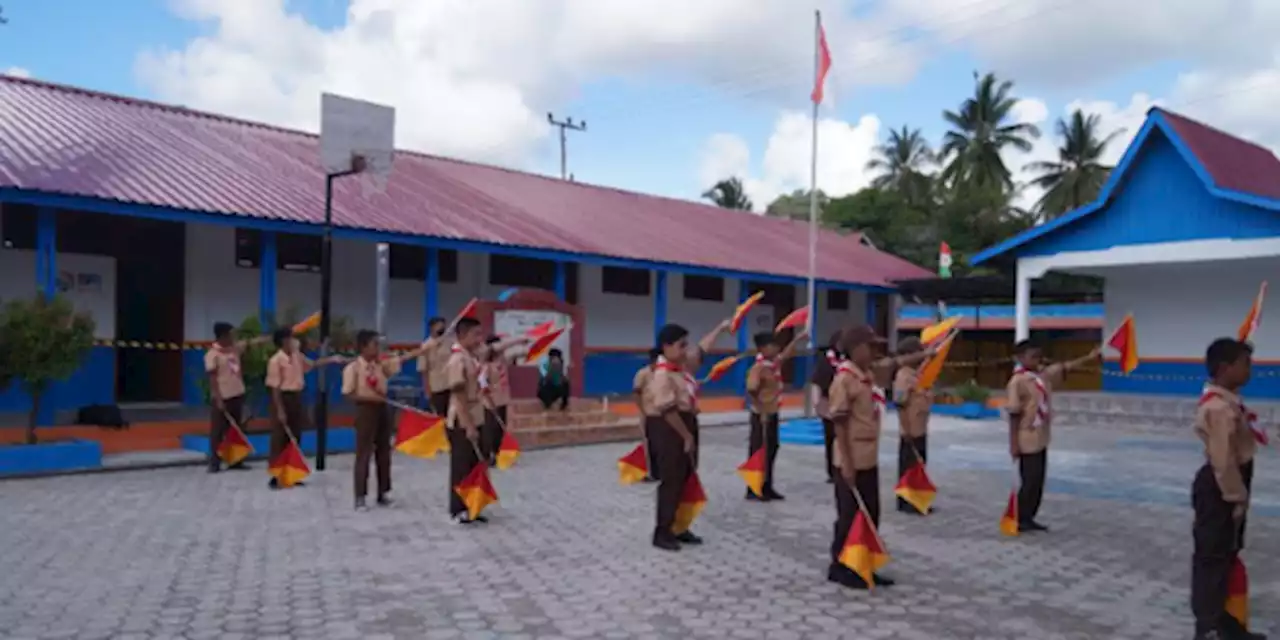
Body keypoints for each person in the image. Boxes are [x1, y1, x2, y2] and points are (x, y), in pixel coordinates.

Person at [827, 324, 933, 590]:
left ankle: (863, 562)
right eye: (870, 346)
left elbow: (898, 360)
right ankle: (841, 565)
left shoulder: (868, 374)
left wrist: (927, 354)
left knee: (870, 513)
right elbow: (838, 423)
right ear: (855, 349)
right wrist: (847, 464)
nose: (875, 351)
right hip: (850, 457)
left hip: (868, 457)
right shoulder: (845, 379)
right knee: (849, 515)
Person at [1191, 338, 1264, 640]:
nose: (1250, 370)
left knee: (1226, 554)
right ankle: (1208, 627)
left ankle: (1227, 625)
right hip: (1221, 486)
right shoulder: (1220, 408)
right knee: (1213, 558)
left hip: (1228, 481)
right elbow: (1223, 460)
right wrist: (1235, 497)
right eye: (1244, 364)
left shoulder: (1228, 402)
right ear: (1225, 368)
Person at [1006, 340, 1101, 532]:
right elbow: (1014, 415)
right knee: (1030, 480)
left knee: (1039, 480)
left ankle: (1029, 517)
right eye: (1032, 356)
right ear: (1020, 358)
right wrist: (1013, 444)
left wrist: (1089, 358)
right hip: (1027, 436)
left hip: (1042, 435)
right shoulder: (1018, 381)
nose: (1036, 360)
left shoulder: (1041, 376)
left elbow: (1065, 367)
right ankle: (1019, 517)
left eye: (1038, 356)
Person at [342, 330, 435, 511]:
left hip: (383, 408)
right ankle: (360, 496)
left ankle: (383, 492)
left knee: (384, 451)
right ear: (363, 347)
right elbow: (349, 393)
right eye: (374, 345)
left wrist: (424, 348)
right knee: (364, 453)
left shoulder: (380, 366)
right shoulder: (353, 368)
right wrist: (371, 399)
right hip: (365, 410)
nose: (377, 348)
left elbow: (402, 359)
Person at [264, 327, 346, 489]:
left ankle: (292, 473)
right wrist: (279, 409)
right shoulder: (275, 361)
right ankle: (276, 476)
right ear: (284, 341)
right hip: (283, 398)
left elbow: (313, 364)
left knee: (295, 436)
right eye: (291, 338)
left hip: (296, 397)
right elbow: (274, 388)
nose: (295, 341)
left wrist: (332, 359)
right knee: (280, 438)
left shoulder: (297, 356)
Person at [645, 323, 700, 551]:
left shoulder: (679, 370)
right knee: (672, 479)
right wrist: (686, 435)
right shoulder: (662, 374)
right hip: (670, 428)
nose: (685, 351)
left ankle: (679, 526)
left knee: (686, 476)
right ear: (666, 346)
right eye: (681, 346)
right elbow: (667, 410)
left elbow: (702, 352)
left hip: (685, 423)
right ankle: (662, 531)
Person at [745, 328, 807, 501]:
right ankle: (753, 488)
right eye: (772, 345)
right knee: (759, 451)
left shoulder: (772, 364)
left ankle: (767, 486)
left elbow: (786, 354)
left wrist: (798, 339)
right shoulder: (759, 368)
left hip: (772, 413)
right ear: (763, 348)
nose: (776, 348)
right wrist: (760, 404)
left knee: (771, 450)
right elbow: (751, 387)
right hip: (762, 415)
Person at [203, 322, 270, 473]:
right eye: (231, 334)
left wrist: (266, 339)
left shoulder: (234, 349)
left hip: (237, 394)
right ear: (223, 336)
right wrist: (218, 399)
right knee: (218, 431)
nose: (234, 337)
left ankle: (236, 460)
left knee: (236, 430)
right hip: (223, 396)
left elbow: (250, 343)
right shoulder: (212, 354)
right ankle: (214, 462)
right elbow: (213, 379)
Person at [446, 317, 489, 524]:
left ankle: (473, 505)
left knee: (474, 463)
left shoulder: (471, 357)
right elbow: (459, 396)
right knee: (461, 465)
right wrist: (469, 425)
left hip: (476, 412)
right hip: (463, 417)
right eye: (475, 334)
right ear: (462, 335)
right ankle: (458, 509)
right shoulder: (457, 360)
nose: (479, 339)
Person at [893, 336, 934, 514]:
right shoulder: (904, 376)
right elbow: (900, 404)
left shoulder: (918, 375)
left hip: (920, 428)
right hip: (911, 430)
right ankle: (906, 501)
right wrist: (906, 429)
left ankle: (916, 500)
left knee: (919, 465)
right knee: (909, 466)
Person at [478, 333, 530, 465]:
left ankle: (497, 453)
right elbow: (482, 381)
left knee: (500, 429)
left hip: (502, 400)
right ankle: (486, 455)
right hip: (489, 401)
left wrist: (530, 347)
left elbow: (522, 353)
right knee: (489, 428)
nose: (501, 348)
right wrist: (518, 339)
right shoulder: (485, 361)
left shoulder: (503, 360)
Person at [810, 331, 843, 484]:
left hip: (843, 404)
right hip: (828, 403)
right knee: (831, 438)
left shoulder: (846, 360)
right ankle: (832, 470)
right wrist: (816, 403)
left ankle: (842, 467)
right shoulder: (826, 360)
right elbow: (817, 381)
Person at [632, 348, 662, 482]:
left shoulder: (664, 374)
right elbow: (637, 393)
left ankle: (663, 471)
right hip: (648, 414)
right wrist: (643, 411)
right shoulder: (643, 374)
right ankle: (652, 473)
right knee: (650, 445)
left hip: (663, 414)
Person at [417, 316, 451, 415]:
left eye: (443, 326)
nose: (442, 328)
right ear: (432, 328)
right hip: (436, 387)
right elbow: (423, 370)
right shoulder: (426, 346)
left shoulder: (449, 342)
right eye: (439, 326)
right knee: (439, 415)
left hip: (450, 385)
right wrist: (427, 390)